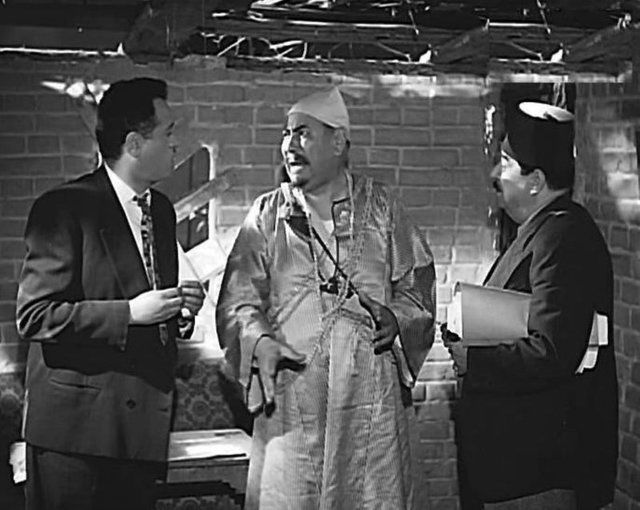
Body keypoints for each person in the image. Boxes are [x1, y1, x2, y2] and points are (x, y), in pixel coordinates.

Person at [216, 87, 436, 509]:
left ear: (338, 142)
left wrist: (397, 318)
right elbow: (237, 301)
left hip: (370, 405)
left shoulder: (383, 208)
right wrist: (259, 342)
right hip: (293, 402)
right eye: (285, 134)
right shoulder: (267, 215)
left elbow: (418, 285)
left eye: (302, 133)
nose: (289, 144)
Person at [16, 77, 205, 510]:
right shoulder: (65, 207)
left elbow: (147, 297)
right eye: (168, 133)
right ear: (135, 144)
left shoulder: (160, 211)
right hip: (75, 439)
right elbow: (35, 316)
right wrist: (130, 313)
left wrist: (177, 312)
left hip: (137, 436)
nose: (176, 144)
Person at [443, 102, 618, 510]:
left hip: (538, 473)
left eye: (505, 163)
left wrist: (474, 361)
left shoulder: (564, 238)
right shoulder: (540, 231)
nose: (495, 173)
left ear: (536, 181)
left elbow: (553, 350)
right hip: (515, 467)